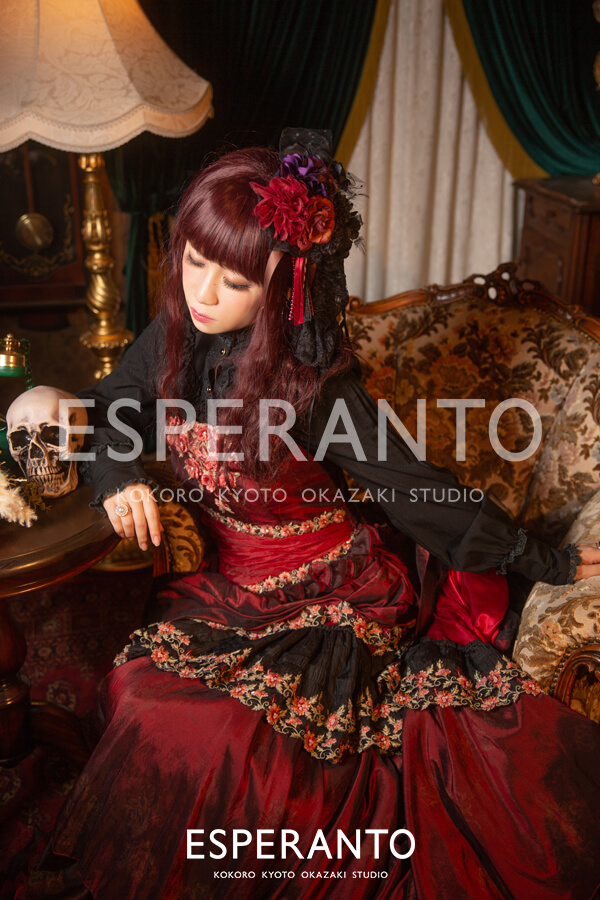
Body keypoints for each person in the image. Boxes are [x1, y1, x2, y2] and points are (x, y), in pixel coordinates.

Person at [27, 129, 600, 900]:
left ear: (279, 286)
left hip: (331, 591)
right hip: (227, 584)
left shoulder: (314, 383)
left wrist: (544, 558)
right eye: (193, 262)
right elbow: (110, 411)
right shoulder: (175, 334)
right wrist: (116, 479)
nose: (202, 295)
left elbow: (416, 489)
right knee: (139, 691)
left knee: (225, 735)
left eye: (233, 281)